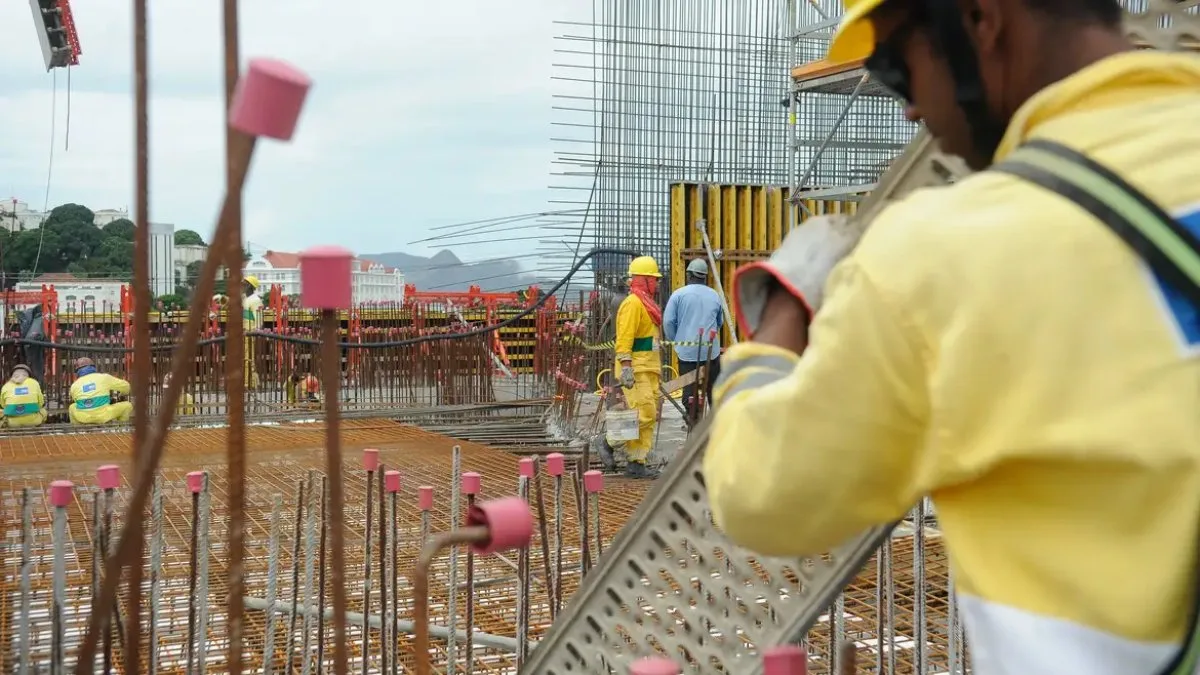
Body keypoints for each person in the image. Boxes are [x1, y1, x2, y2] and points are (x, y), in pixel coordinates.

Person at [702, 0, 1200, 672]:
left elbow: (759, 492)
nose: (908, 111)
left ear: (981, 19)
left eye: (895, 67)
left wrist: (780, 315)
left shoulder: (938, 255)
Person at [614, 255, 664, 479]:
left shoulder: (649, 305)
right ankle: (608, 441)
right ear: (643, 280)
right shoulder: (633, 304)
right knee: (644, 413)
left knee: (649, 417)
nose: (657, 283)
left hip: (650, 367)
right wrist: (626, 367)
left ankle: (637, 462)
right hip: (635, 369)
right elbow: (624, 339)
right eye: (654, 279)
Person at [662, 258, 724, 425]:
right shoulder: (714, 295)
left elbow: (668, 322)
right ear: (705, 277)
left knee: (690, 392)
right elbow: (720, 322)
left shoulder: (678, 294)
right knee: (713, 391)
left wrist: (677, 340)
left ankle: (693, 418)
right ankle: (716, 425)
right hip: (711, 352)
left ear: (689, 275)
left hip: (687, 353)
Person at [69, 357, 133, 424]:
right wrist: (122, 394)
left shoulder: (74, 385)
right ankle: (121, 428)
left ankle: (77, 430)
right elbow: (126, 386)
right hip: (104, 415)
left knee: (72, 407)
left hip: (84, 417)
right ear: (93, 367)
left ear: (77, 371)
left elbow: (76, 401)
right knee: (127, 406)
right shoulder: (104, 377)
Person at [242, 275, 264, 389]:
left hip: (250, 332)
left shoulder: (255, 300)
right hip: (245, 332)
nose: (242, 286)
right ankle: (248, 382)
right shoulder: (246, 299)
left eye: (244, 284)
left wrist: (255, 332)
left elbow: (259, 319)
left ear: (250, 286)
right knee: (245, 358)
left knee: (249, 358)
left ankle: (250, 383)